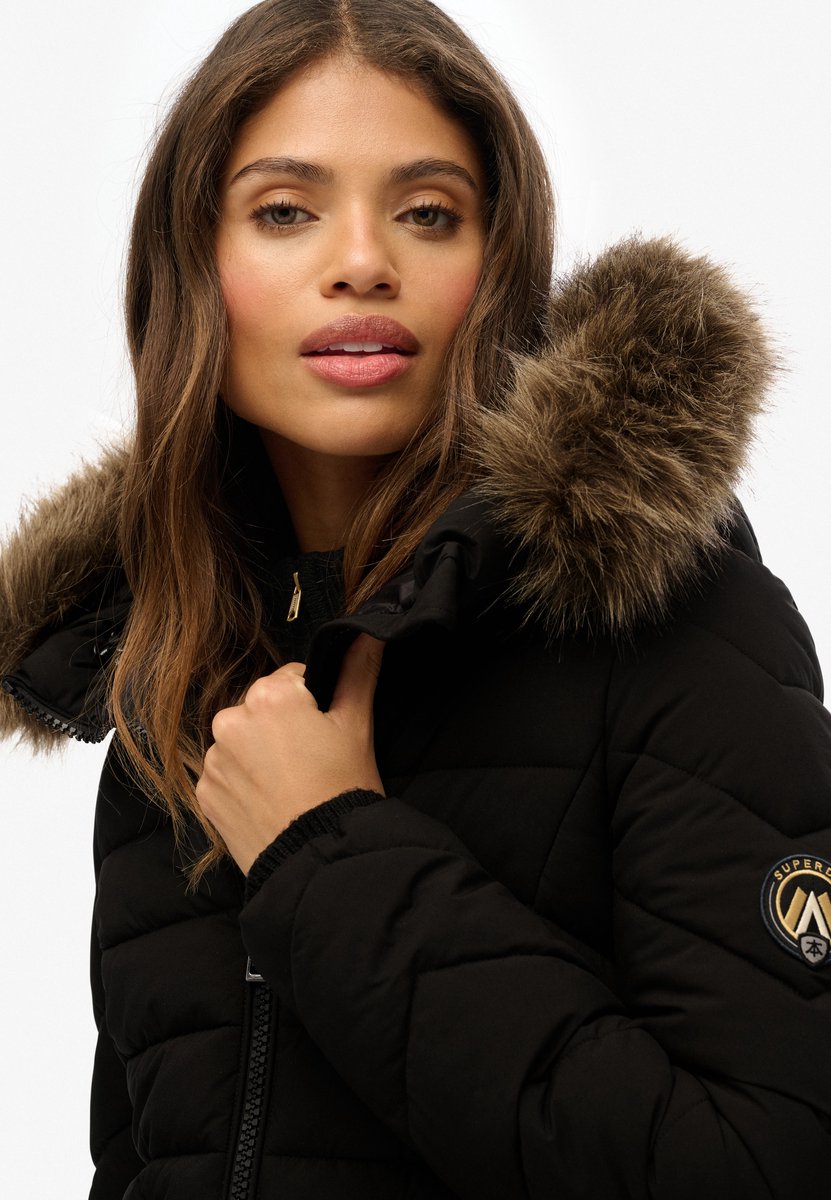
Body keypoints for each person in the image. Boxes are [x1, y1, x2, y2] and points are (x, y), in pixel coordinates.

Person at [1, 0, 829, 1196]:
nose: (362, 262)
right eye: (285, 211)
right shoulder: (166, 663)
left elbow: (765, 1165)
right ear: (192, 269)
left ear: (499, 266)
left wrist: (329, 852)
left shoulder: (678, 622)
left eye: (428, 213)